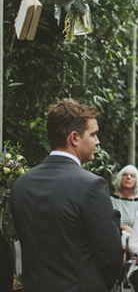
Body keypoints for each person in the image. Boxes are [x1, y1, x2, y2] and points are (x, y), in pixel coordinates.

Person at [10, 99, 123, 292]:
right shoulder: (91, 185)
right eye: (93, 134)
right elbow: (112, 256)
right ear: (74, 138)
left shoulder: (21, 184)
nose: (98, 141)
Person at [110, 165, 138, 233]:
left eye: (132, 176)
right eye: (125, 175)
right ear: (120, 178)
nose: (128, 177)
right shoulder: (110, 199)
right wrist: (122, 227)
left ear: (136, 181)